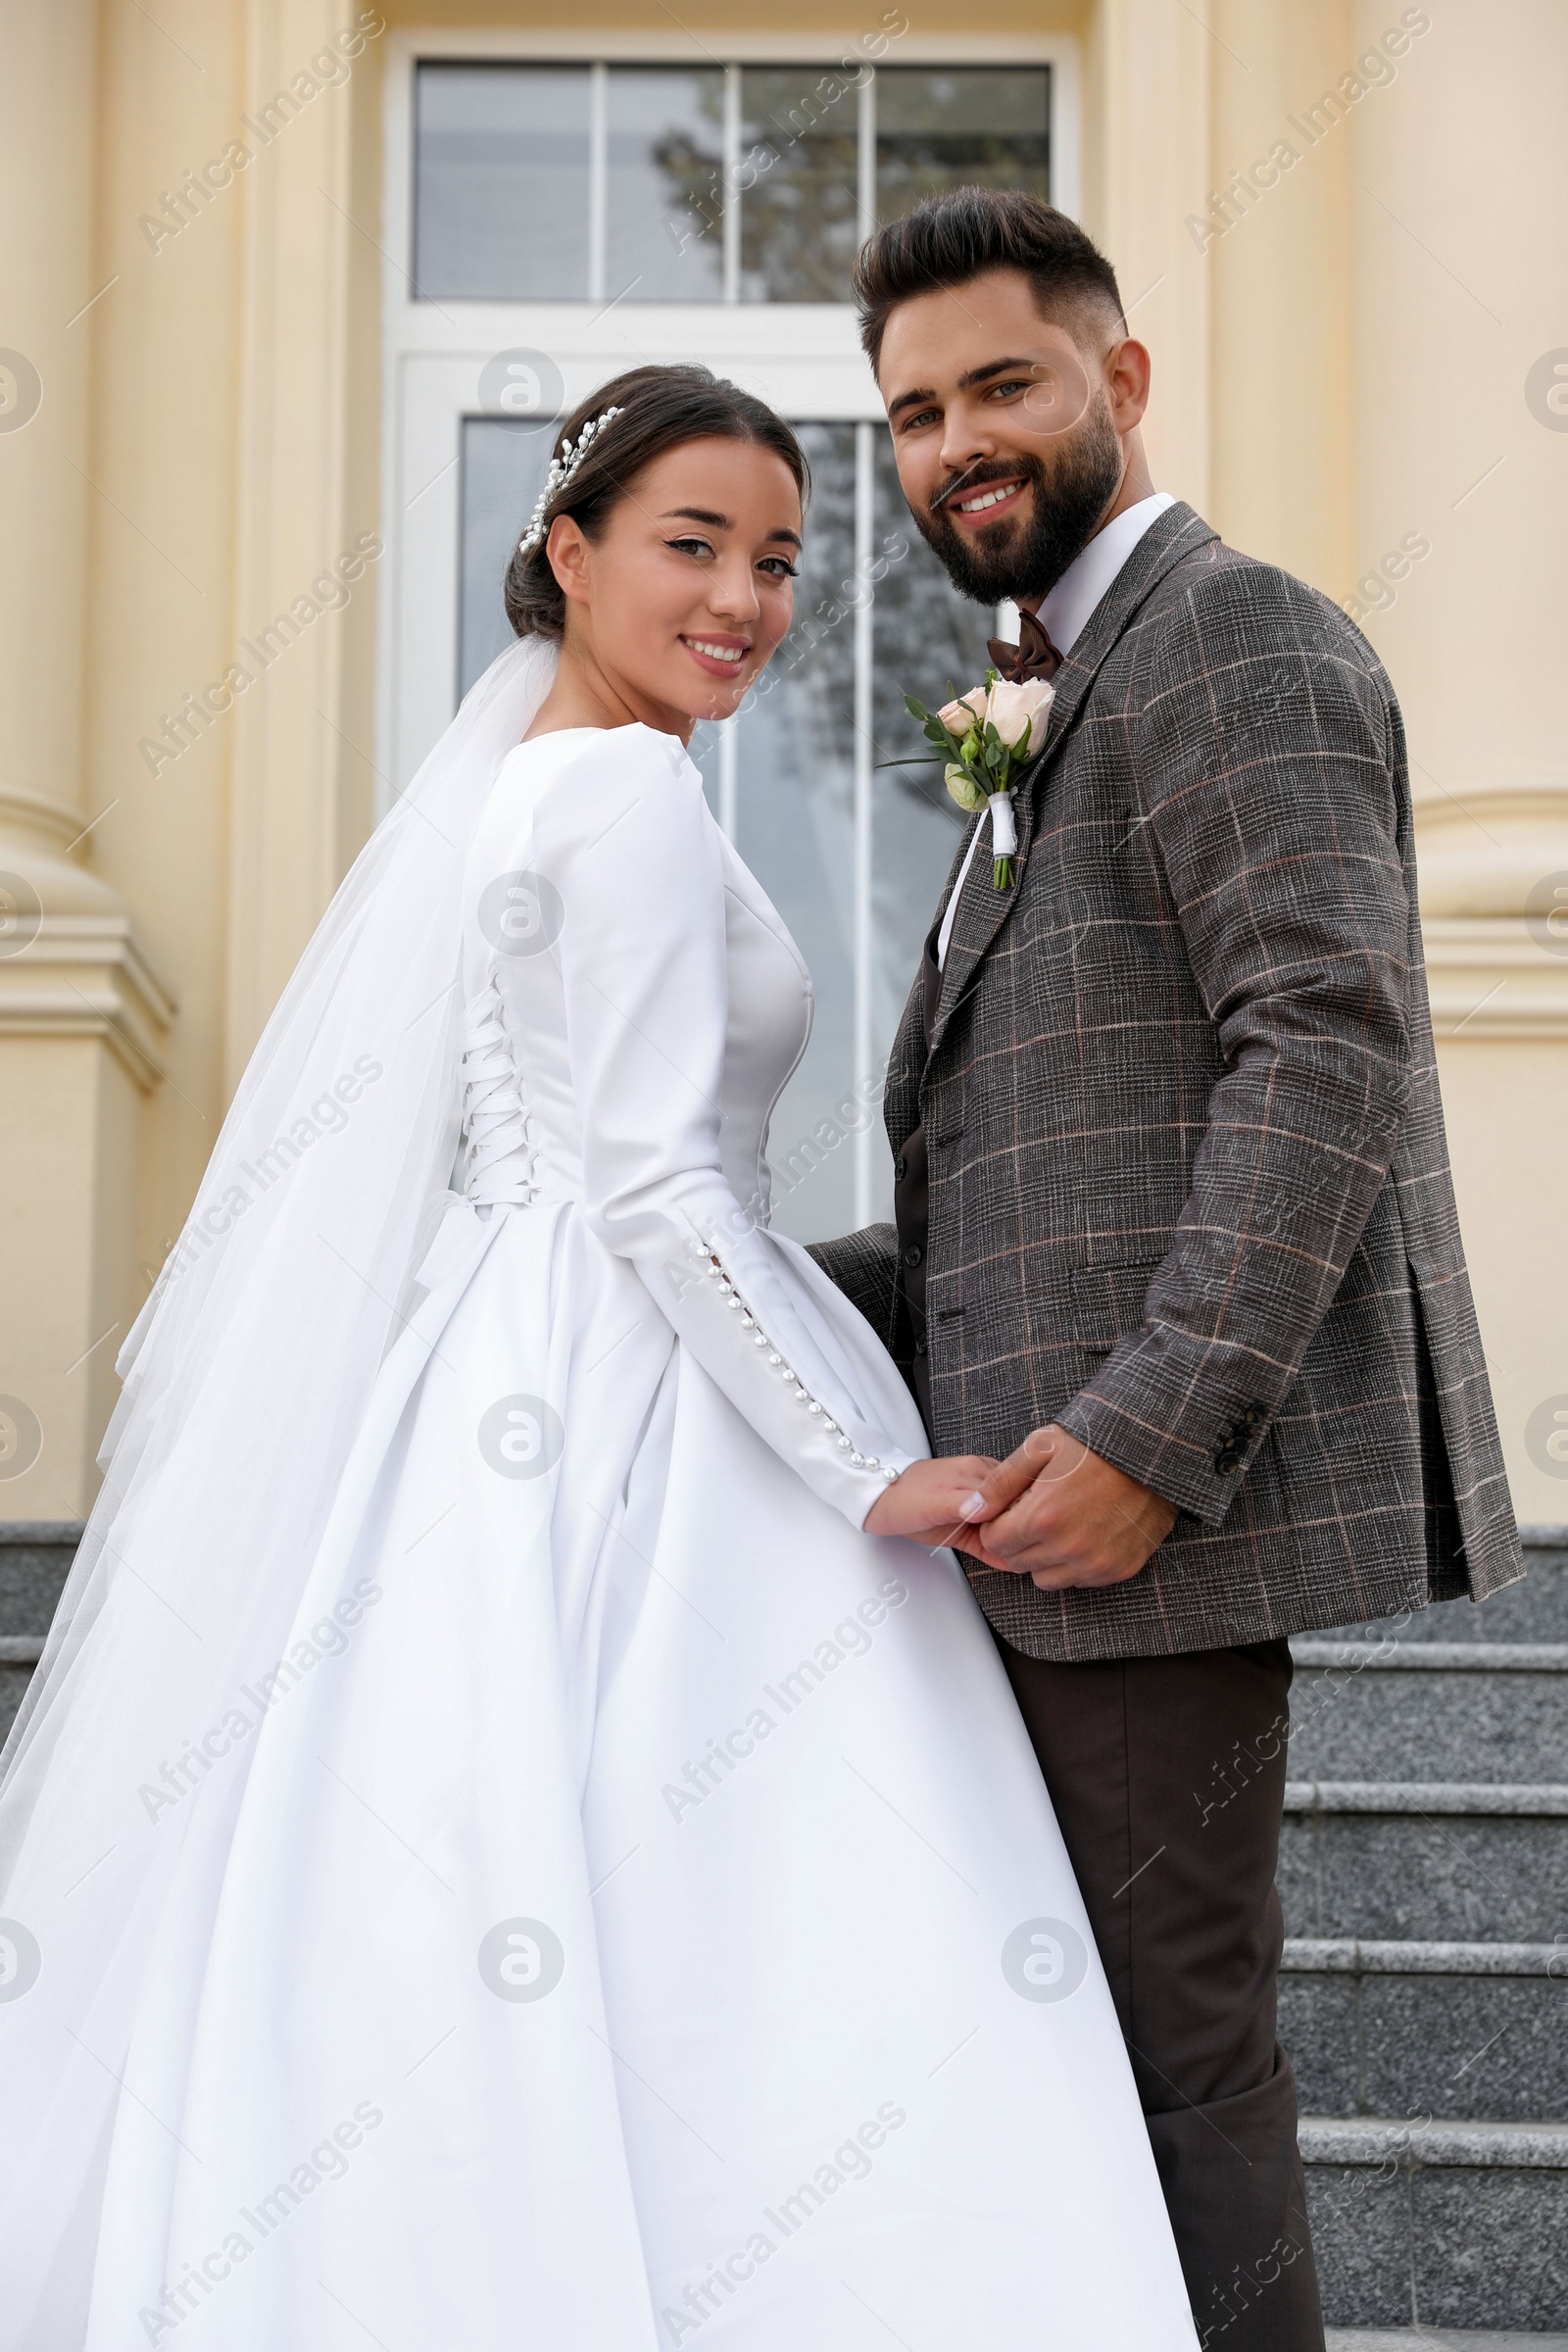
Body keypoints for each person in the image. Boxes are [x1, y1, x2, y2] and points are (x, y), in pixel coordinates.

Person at [0, 364, 1200, 2350]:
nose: (743, 597)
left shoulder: (528, 777)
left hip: (514, 1357)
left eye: (782, 561)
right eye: (691, 547)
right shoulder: (622, 788)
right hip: (631, 1383)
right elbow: (650, 1187)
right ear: (565, 554)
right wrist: (856, 1465)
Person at [810, 190, 1524, 2352]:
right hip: (1010, 1516)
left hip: (1135, 1523)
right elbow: (1010, 1177)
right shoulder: (1043, 690)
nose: (955, 444)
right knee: (1067, 2076)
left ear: (1118, 381)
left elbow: (1321, 1043)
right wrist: (696, 1292)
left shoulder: (1231, 637)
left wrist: (1145, 1438)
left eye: (998, 386)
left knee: (1169, 2069)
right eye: (915, 413)